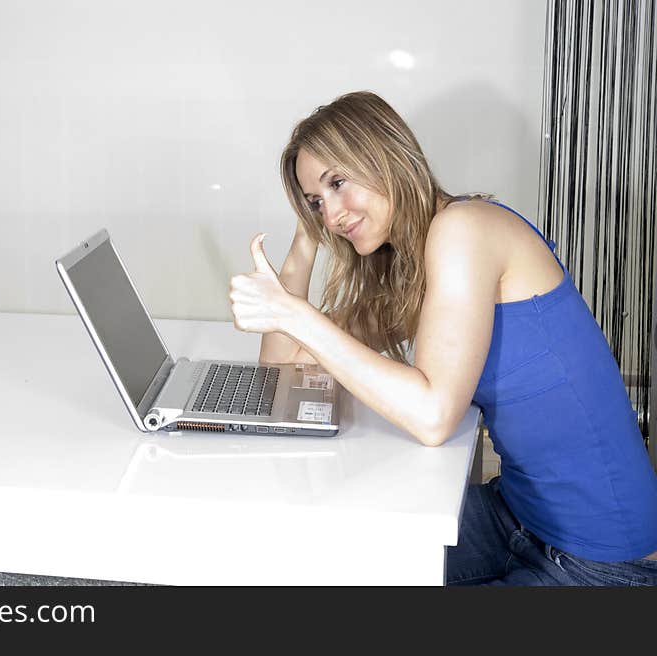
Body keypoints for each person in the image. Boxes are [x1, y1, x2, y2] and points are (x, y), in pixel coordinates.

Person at [228, 90, 657, 585]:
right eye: (316, 201)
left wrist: (295, 314)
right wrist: (305, 239)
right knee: (325, 557)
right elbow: (284, 369)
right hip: (517, 516)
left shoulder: (464, 230)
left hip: (600, 560)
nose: (333, 214)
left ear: (386, 156)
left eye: (339, 182)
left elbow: (432, 417)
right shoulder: (417, 264)